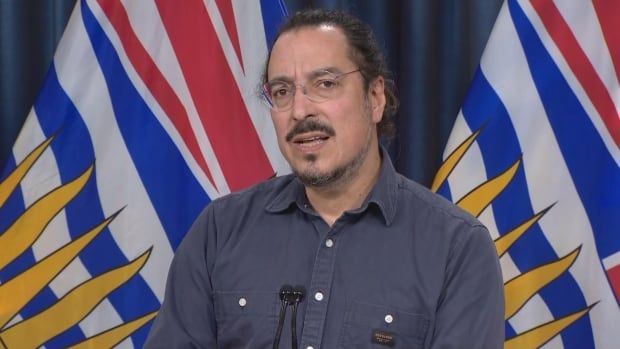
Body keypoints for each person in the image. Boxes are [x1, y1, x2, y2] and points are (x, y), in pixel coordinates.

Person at [144, 8, 504, 349]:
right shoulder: (219, 231)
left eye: (325, 84)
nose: (300, 110)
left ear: (375, 98)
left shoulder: (456, 249)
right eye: (282, 92)